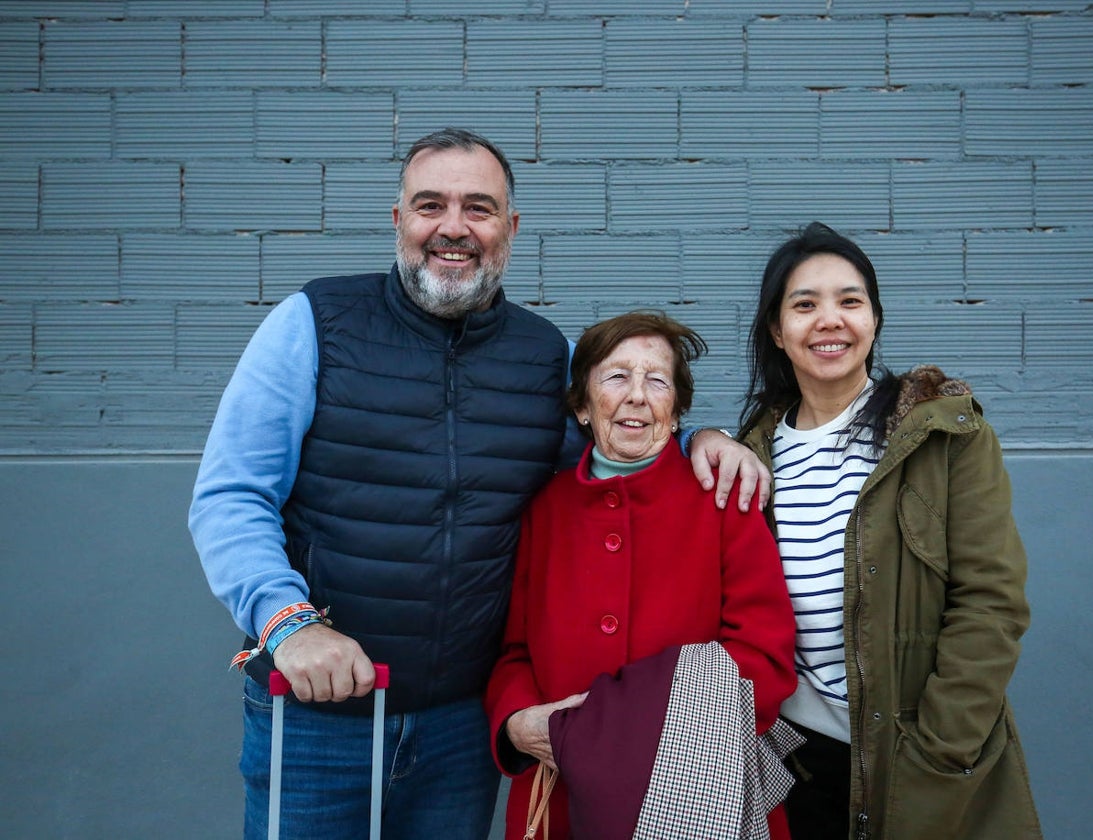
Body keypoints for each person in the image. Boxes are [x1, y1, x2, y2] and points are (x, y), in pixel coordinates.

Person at [188, 128, 769, 840]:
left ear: (511, 229)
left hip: (460, 729)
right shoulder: (313, 323)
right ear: (399, 219)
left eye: (479, 208)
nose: (454, 228)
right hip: (320, 719)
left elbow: (603, 452)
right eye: (431, 205)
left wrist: (694, 438)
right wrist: (288, 624)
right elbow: (231, 495)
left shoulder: (539, 354)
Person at [737, 222, 1042, 840]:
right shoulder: (753, 457)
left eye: (850, 301)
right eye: (805, 304)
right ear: (777, 329)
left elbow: (992, 600)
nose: (830, 320)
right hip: (794, 763)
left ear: (873, 319)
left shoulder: (941, 436)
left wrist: (939, 748)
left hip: (919, 759)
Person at [485, 311, 799, 839]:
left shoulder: (724, 498)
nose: (636, 395)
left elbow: (764, 657)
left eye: (657, 380)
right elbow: (514, 651)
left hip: (701, 793)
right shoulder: (544, 509)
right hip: (558, 792)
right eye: (615, 377)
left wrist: (633, 730)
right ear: (583, 406)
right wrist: (518, 722)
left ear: (676, 411)